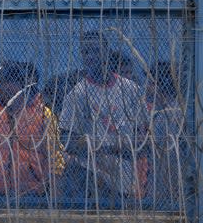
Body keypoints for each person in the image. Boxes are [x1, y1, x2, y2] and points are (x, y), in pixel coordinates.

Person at [58, 31, 150, 205]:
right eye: (85, 52)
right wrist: (115, 146)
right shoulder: (77, 94)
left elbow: (143, 137)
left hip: (124, 178)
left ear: (107, 52)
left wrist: (98, 145)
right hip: (90, 177)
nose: (90, 56)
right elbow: (67, 140)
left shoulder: (130, 90)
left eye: (95, 50)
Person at [0, 61, 64, 201]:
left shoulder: (43, 114)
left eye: (1, 82)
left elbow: (55, 160)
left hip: (33, 197)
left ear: (17, 85)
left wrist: (56, 200)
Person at [145, 61, 185, 208]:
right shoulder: (174, 111)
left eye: (150, 83)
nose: (147, 88)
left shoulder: (167, 116)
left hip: (166, 184)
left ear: (158, 85)